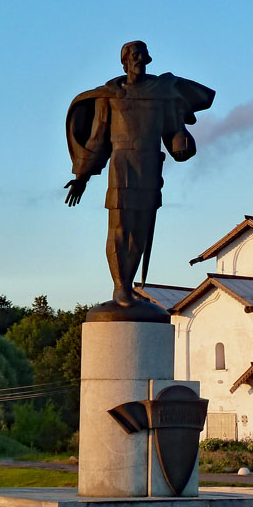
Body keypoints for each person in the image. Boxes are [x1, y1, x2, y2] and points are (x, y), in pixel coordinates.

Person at [64, 41, 214, 308]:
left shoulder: (162, 94)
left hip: (148, 165)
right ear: (124, 61)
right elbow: (99, 139)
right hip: (122, 165)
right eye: (134, 56)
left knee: (140, 232)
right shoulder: (109, 96)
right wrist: (82, 176)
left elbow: (174, 134)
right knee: (120, 228)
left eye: (143, 55)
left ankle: (128, 284)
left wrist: (183, 142)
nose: (139, 60)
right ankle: (120, 287)